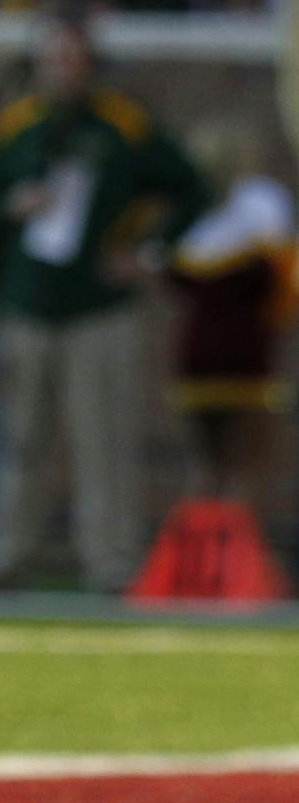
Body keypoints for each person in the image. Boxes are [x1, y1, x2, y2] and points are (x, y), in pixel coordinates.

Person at [0, 12, 208, 591]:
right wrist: (12, 205)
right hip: (28, 306)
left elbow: (192, 187)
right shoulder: (16, 125)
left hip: (99, 308)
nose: (64, 70)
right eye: (55, 59)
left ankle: (110, 563)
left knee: (104, 442)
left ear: (91, 66)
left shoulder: (121, 123)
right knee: (20, 441)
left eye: (74, 59)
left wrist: (149, 253)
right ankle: (5, 558)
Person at [162, 125, 296, 516]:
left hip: (199, 348)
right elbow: (282, 284)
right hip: (246, 348)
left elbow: (173, 275)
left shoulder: (191, 212)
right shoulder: (261, 207)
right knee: (247, 458)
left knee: (206, 461)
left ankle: (206, 542)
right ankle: (234, 544)